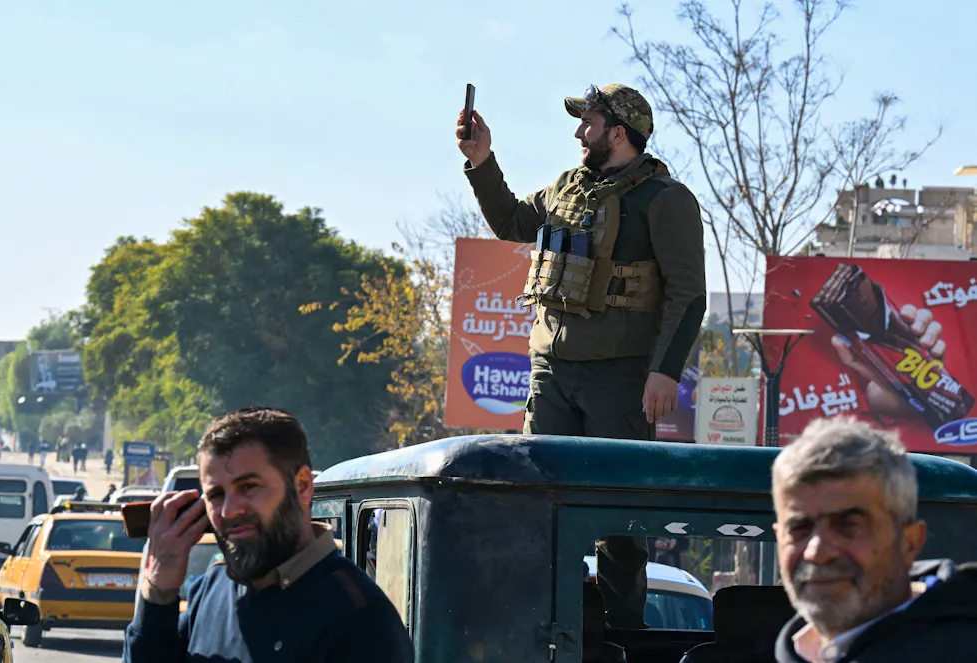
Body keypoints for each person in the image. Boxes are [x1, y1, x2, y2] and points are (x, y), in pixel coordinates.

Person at [457, 83, 706, 628]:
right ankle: (542, 627)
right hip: (551, 371)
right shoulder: (567, 189)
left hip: (620, 378)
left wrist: (664, 374)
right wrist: (482, 162)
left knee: (620, 519)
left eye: (588, 124)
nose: (577, 133)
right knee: (537, 501)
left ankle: (620, 636)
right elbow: (513, 224)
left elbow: (689, 293)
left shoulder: (665, 199)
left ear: (619, 133)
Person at [123, 407, 413, 663]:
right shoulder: (211, 590)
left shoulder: (360, 618)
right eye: (216, 494)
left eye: (248, 487)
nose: (228, 510)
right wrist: (159, 589)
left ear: (302, 486)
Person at [772, 416, 977, 662]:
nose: (817, 552)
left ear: (909, 542)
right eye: (799, 528)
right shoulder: (796, 650)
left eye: (849, 526)